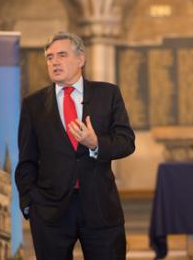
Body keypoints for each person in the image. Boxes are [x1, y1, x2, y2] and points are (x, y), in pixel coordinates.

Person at [15, 31, 135, 260]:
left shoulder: (107, 94)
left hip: (100, 208)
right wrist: (30, 204)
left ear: (81, 60)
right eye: (49, 57)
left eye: (61, 55)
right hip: (50, 213)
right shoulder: (33, 104)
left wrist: (96, 143)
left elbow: (126, 142)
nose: (54, 62)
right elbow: (27, 160)